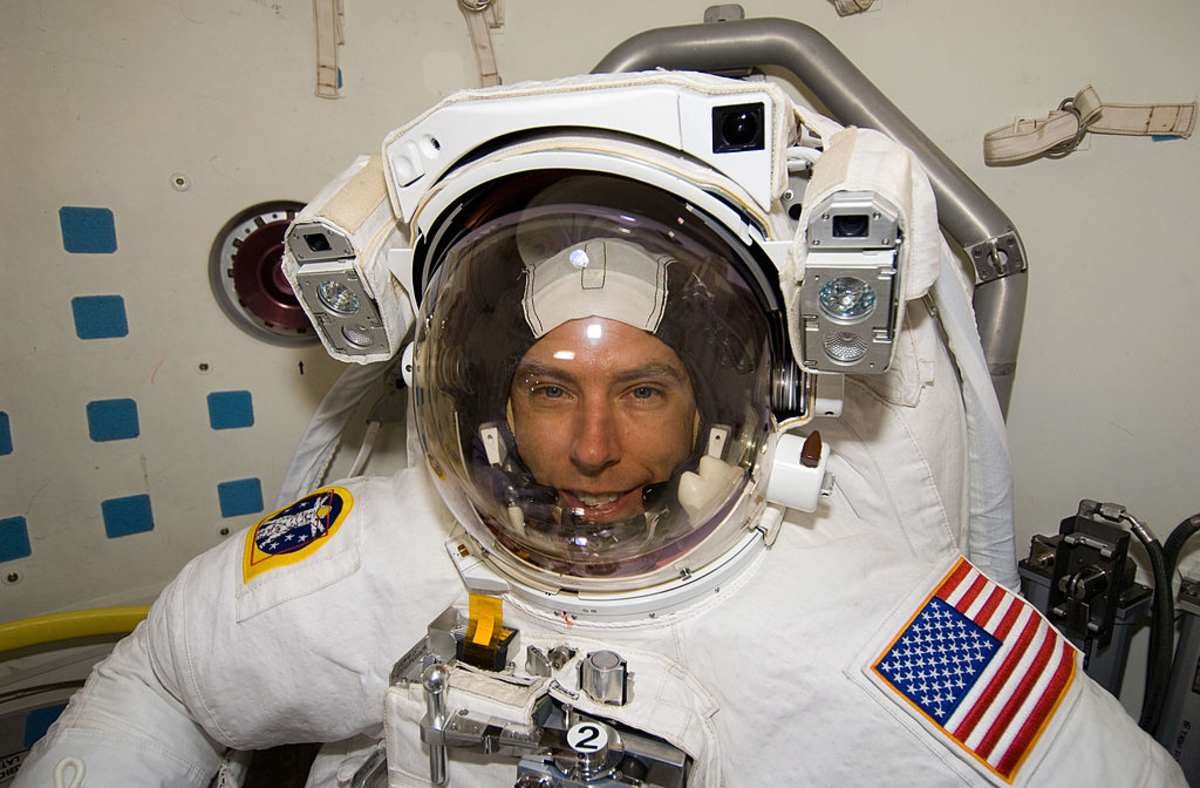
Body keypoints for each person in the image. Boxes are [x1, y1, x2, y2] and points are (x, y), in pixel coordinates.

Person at [18, 116, 1184, 788]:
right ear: (487, 403)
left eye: (642, 388)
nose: (588, 444)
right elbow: (167, 679)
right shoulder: (377, 549)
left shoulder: (875, 620)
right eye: (547, 388)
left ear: (732, 402)